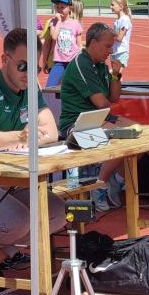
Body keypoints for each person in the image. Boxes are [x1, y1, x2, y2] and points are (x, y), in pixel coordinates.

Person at [0, 28, 66, 295]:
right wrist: (20, 136)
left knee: (57, 212)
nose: (28, 73)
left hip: (13, 176)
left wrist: (21, 139)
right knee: (18, 219)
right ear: (5, 59)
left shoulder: (32, 89)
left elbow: (51, 130)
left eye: (35, 67)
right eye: (22, 66)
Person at [59, 22, 134, 212]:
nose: (111, 51)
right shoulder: (81, 64)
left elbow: (114, 97)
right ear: (93, 43)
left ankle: (115, 181)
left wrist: (116, 74)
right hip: (76, 125)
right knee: (124, 137)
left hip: (98, 119)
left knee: (140, 133)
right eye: (108, 46)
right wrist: (111, 119)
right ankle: (100, 184)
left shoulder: (100, 65)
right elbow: (102, 103)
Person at [45, 0, 83, 87]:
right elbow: (54, 36)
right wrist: (58, 21)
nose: (59, 9)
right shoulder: (53, 22)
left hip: (72, 61)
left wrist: (79, 59)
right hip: (59, 62)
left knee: (73, 87)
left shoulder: (75, 24)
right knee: (50, 87)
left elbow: (79, 44)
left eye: (62, 7)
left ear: (70, 8)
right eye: (57, 7)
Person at [110, 0, 132, 70]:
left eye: (113, 5)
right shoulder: (117, 21)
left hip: (121, 51)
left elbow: (119, 38)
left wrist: (109, 35)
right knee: (114, 76)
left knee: (115, 76)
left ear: (121, 6)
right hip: (115, 51)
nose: (111, 7)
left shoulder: (125, 20)